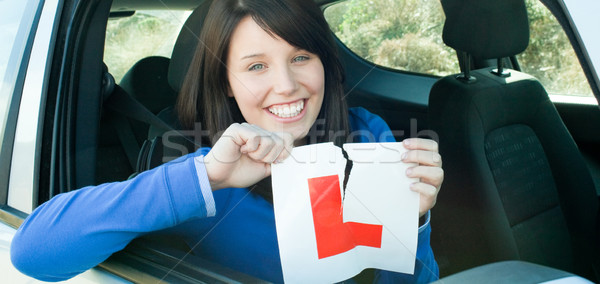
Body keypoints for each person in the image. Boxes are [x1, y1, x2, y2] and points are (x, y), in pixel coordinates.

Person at [11, 0, 443, 282]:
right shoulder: (195, 175)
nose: (287, 85)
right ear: (228, 83)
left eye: (300, 57)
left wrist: (414, 223)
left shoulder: (367, 135)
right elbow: (33, 252)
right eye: (256, 67)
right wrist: (206, 177)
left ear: (323, 63)